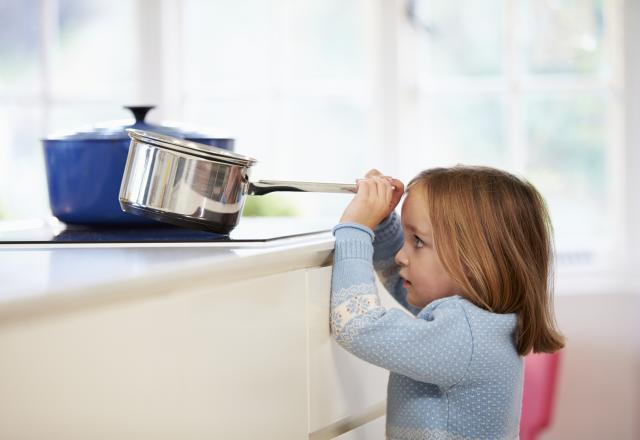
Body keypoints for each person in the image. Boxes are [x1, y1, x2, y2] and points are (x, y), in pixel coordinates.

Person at [330, 166, 565, 440]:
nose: (401, 257)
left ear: (473, 260)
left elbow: (357, 325)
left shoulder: (464, 337)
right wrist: (381, 224)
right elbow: (402, 280)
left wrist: (355, 230)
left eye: (417, 241)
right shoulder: (481, 323)